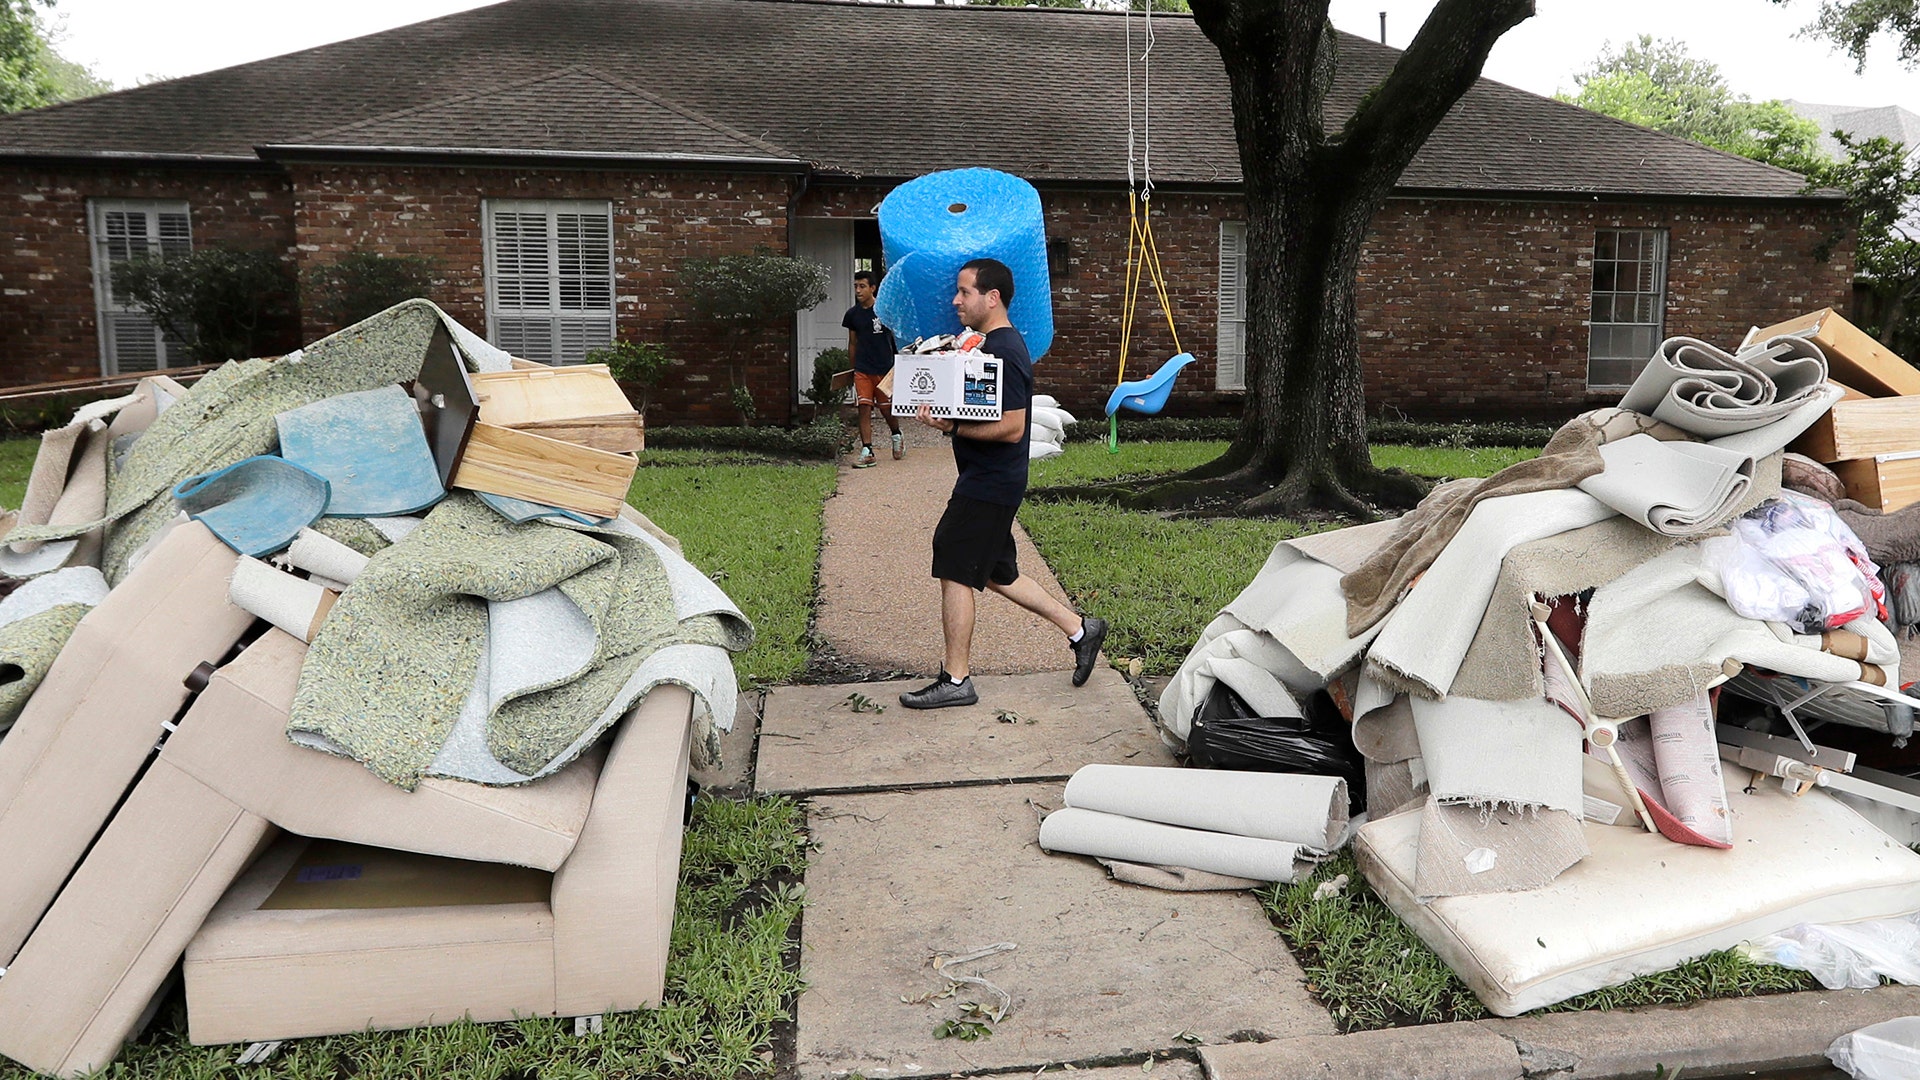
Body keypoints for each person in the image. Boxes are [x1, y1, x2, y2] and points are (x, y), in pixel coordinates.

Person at [900, 257, 1107, 709]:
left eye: (965, 292)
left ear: (992, 298)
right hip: (985, 475)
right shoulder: (986, 346)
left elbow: (1013, 427)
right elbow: (982, 409)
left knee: (953, 557)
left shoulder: (1006, 350)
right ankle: (1081, 629)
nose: (956, 300)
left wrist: (950, 429)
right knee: (998, 572)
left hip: (992, 481)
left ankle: (956, 681)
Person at [842, 269, 902, 467]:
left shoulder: (884, 311)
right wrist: (853, 368)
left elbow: (895, 338)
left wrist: (899, 363)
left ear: (872, 288)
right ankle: (867, 450)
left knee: (886, 410)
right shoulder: (852, 315)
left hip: (884, 369)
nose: (858, 291)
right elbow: (852, 343)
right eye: (855, 287)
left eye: (862, 286)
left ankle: (896, 434)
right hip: (862, 369)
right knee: (864, 408)